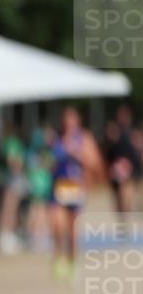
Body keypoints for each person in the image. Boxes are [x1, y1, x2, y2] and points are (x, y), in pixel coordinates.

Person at [49, 106, 103, 281]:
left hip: (75, 187)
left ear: (77, 120)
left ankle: (72, 260)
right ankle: (59, 259)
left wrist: (77, 153)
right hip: (58, 187)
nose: (68, 122)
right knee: (57, 225)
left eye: (71, 118)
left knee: (72, 229)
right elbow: (49, 162)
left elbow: (95, 162)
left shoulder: (84, 138)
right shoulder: (56, 137)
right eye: (66, 119)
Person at [105, 104, 142, 214]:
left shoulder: (133, 133)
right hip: (116, 171)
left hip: (131, 170)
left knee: (126, 196)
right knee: (119, 202)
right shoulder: (113, 132)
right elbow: (108, 152)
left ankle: (126, 210)